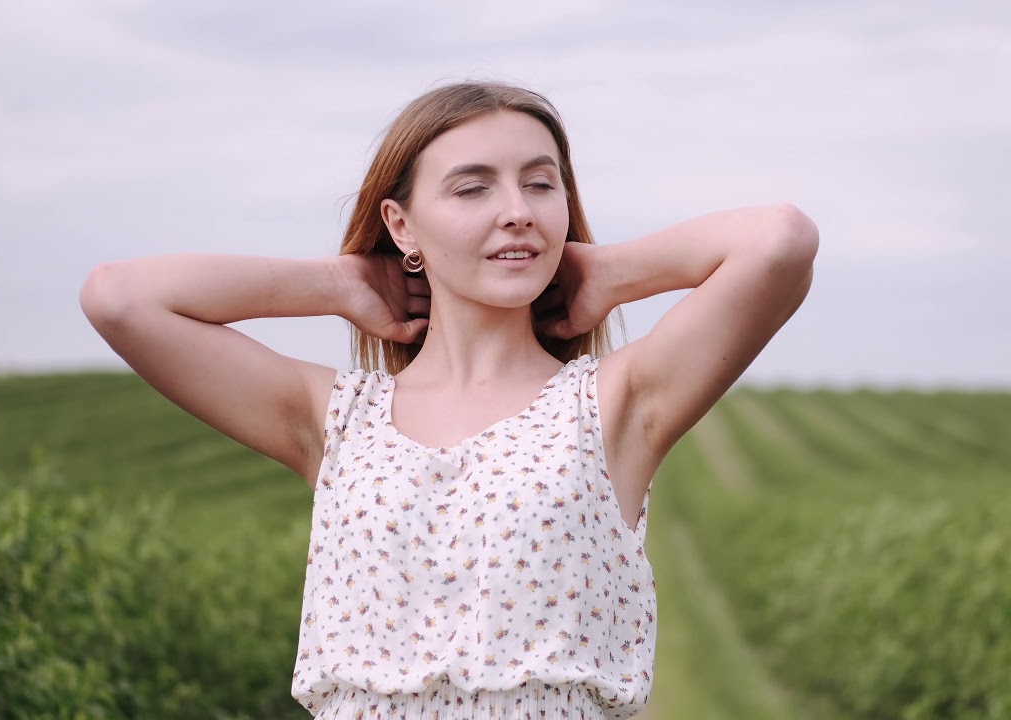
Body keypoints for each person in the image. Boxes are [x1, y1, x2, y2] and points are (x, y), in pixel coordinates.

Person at [79, 79, 818, 719]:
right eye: (473, 188)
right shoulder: (333, 419)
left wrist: (613, 271)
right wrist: (339, 284)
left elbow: (779, 241)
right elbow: (120, 298)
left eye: (540, 183)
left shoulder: (613, 406)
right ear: (402, 225)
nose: (518, 210)